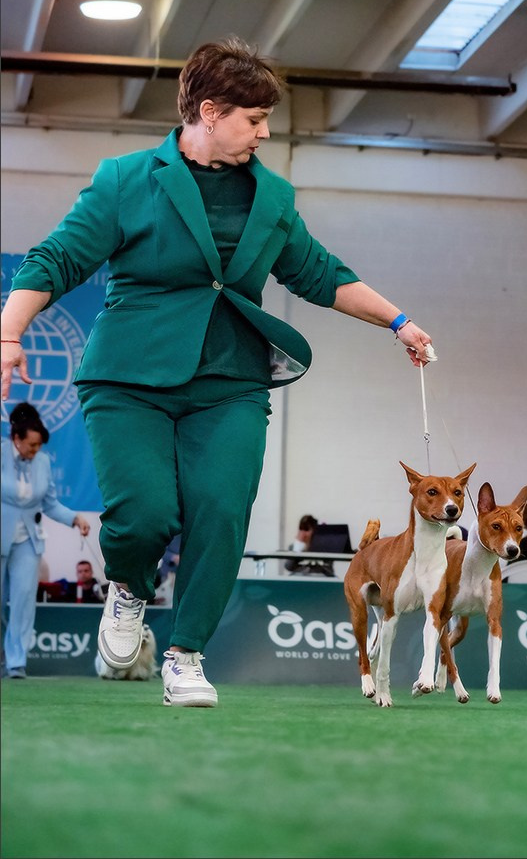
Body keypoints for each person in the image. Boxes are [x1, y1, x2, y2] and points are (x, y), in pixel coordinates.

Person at [0, 35, 435, 708]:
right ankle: (127, 590)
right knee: (143, 513)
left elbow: (320, 274)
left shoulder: (272, 198)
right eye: (253, 120)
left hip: (230, 378)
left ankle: (185, 655)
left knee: (221, 511)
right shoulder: (126, 179)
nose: (263, 133)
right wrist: (9, 332)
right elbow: (56, 259)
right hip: (128, 376)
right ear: (208, 110)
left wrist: (400, 323)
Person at [1, 402, 91, 677]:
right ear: (16, 439)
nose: (35, 450)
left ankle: (16, 663)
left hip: (28, 539)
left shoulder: (42, 462)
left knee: (24, 600)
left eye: (39, 445)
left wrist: (75, 518)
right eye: (31, 445)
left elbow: (50, 503)